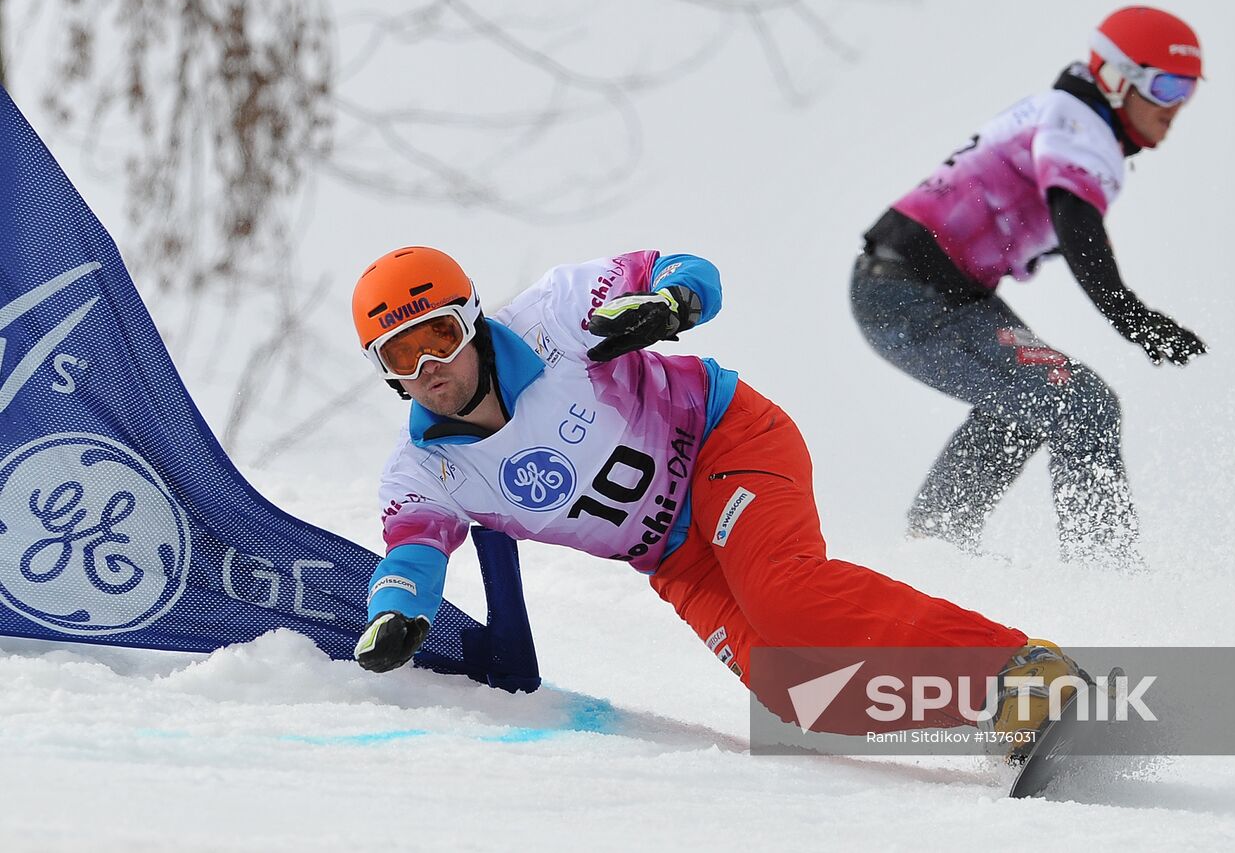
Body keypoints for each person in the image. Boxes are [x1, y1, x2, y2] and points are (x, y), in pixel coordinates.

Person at [348, 244, 1079, 748]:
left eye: (439, 334)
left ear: (472, 317)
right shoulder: (423, 470)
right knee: (796, 695)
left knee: (784, 596)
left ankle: (1021, 668)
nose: (431, 365)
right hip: (674, 555)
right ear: (385, 373)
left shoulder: (551, 319)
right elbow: (413, 554)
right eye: (401, 355)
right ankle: (998, 711)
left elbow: (684, 268)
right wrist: (396, 613)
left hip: (723, 442)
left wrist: (672, 301)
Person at [849, 6, 1208, 569]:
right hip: (909, 295)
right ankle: (1104, 574)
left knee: (1033, 400)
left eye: (1188, 90)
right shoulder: (1078, 124)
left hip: (935, 291)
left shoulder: (1065, 119)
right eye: (1166, 86)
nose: (1176, 107)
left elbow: (1067, 227)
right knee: (1079, 402)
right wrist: (1130, 316)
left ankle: (934, 548)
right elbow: (1077, 225)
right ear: (1115, 79)